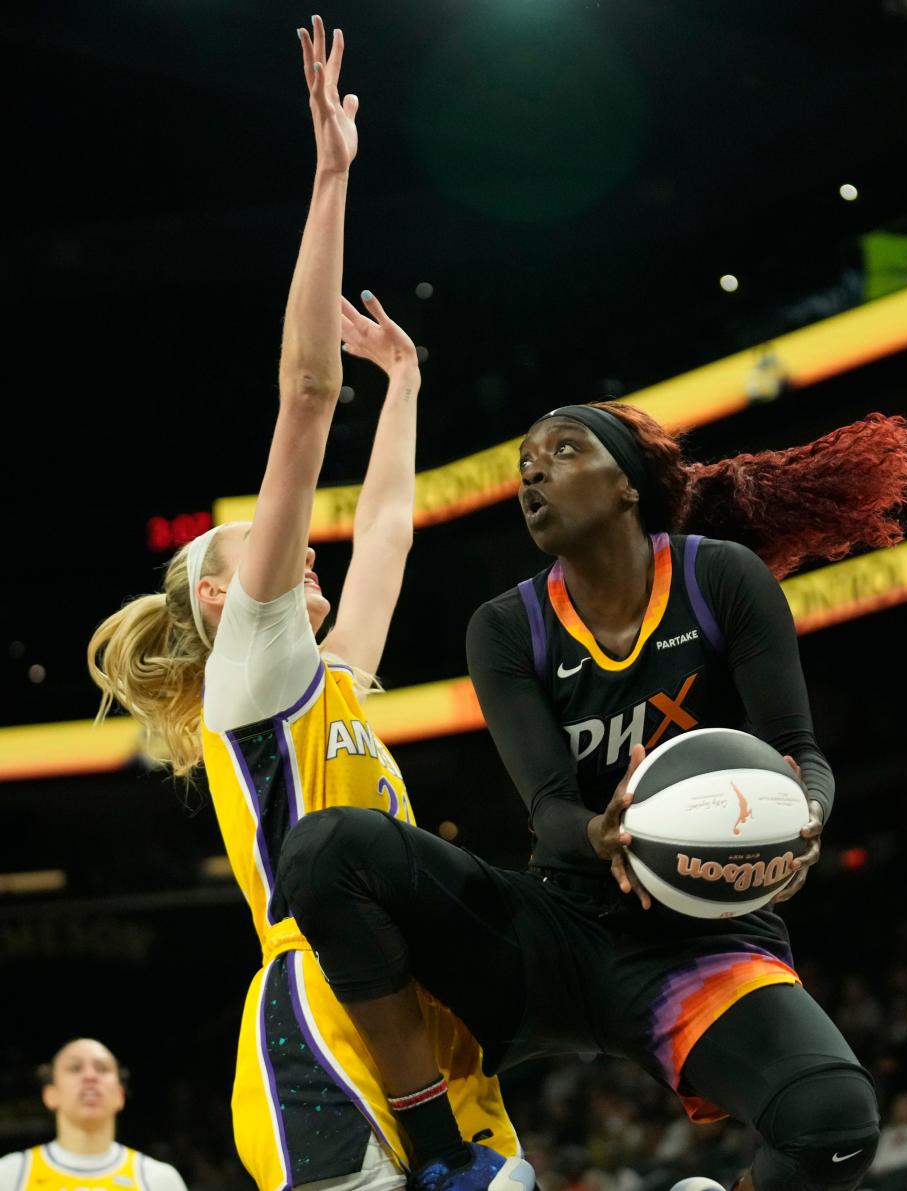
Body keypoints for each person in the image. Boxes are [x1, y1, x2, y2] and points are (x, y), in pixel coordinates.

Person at [87, 18, 528, 1191]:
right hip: (317, 1023)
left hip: (409, 999)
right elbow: (300, 395)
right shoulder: (255, 668)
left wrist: (411, 381)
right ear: (227, 594)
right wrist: (331, 179)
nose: (308, 566)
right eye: (274, 557)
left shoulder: (331, 680)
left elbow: (385, 527)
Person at [277, 401, 907, 1191]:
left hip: (702, 937)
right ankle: (445, 1160)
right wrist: (600, 833)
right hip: (558, 924)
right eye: (524, 463)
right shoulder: (507, 626)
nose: (532, 472)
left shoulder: (717, 577)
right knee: (329, 848)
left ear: (626, 483)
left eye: (562, 450)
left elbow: (799, 751)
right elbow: (548, 805)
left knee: (835, 1126)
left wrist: (808, 815)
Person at [0, 1038, 187, 1191]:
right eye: (75, 1068)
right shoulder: (10, 1174)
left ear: (120, 1095)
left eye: (102, 1068)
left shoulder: (159, 1180)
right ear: (50, 1095)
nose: (90, 1076)